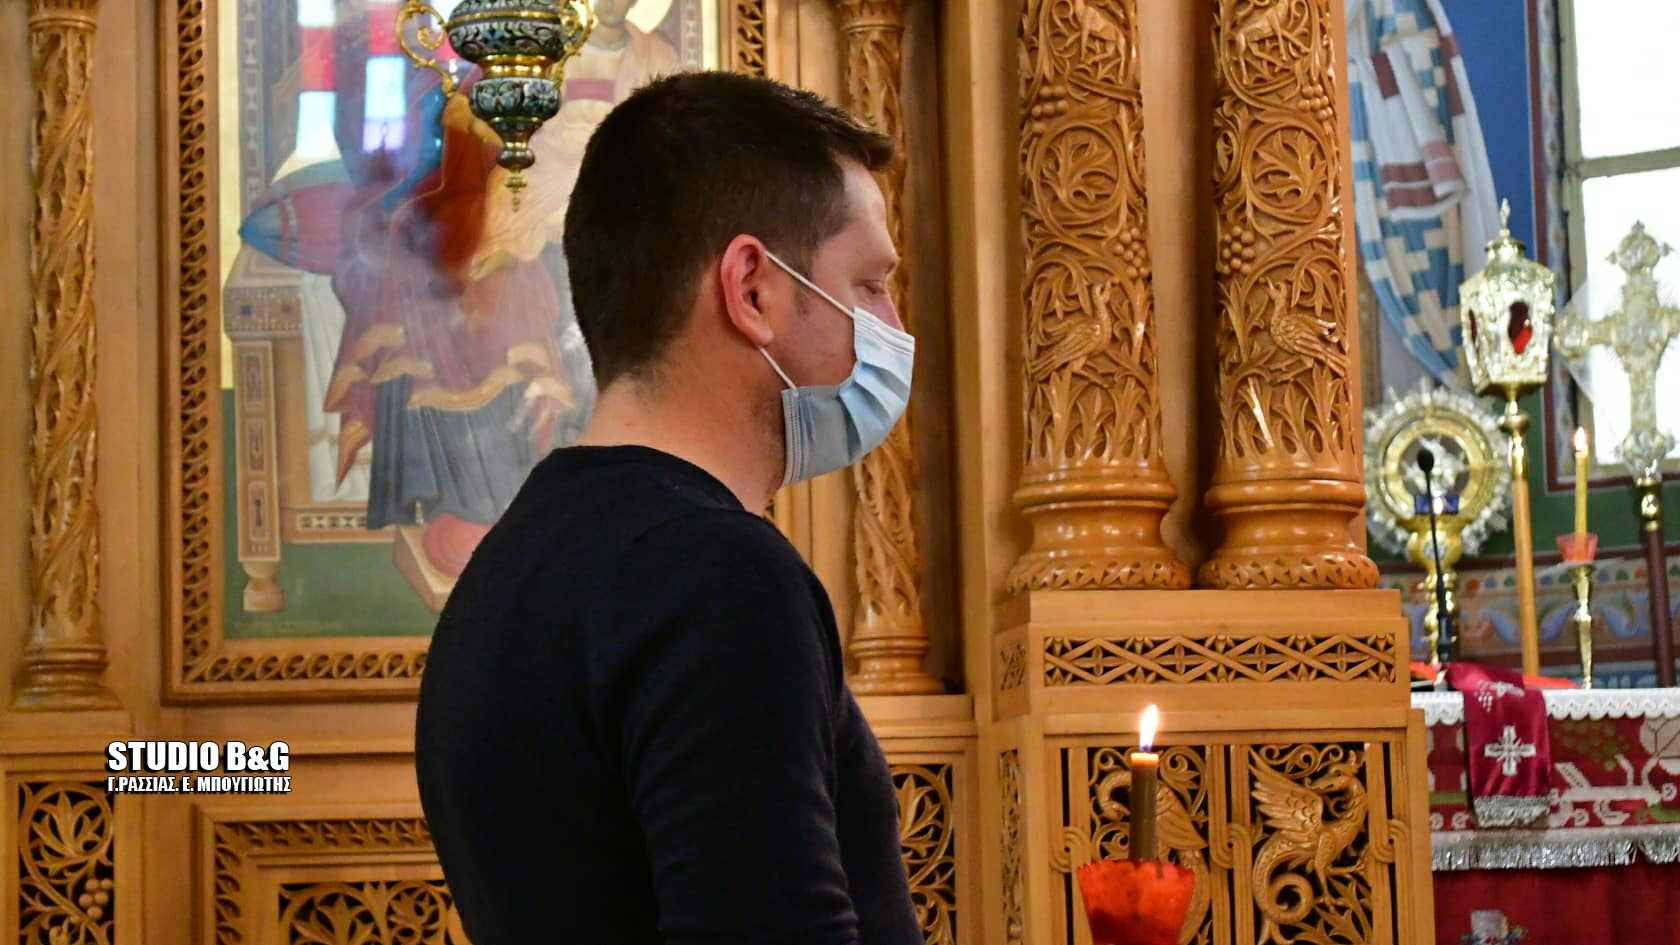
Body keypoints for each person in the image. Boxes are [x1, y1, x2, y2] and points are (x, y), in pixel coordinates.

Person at [414, 70, 922, 945]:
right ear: (753, 290)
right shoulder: (719, 578)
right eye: (871, 284)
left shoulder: (506, 571)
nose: (895, 327)